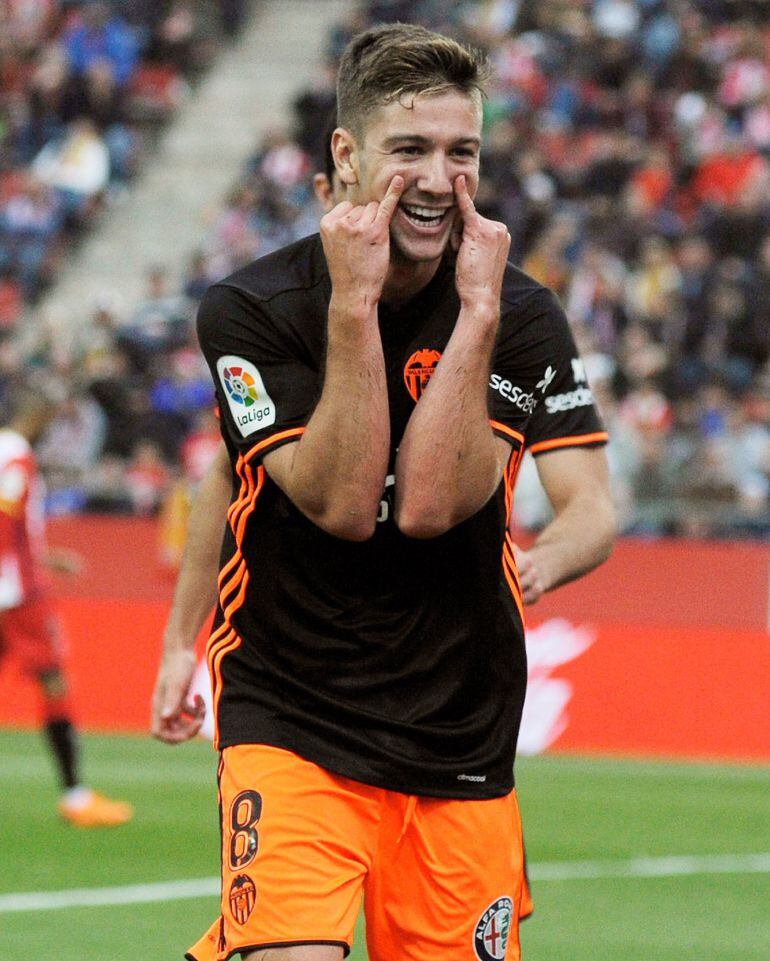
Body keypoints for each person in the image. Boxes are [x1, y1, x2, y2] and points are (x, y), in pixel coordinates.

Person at [152, 24, 615, 961]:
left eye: (463, 152)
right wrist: (353, 308)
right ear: (346, 156)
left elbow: (437, 508)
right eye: (412, 150)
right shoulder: (252, 309)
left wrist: (478, 314)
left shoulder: (515, 310)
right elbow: (337, 502)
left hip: (459, 721)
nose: (441, 180)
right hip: (291, 703)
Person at [0, 392, 133, 828]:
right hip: (16, 597)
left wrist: (41, 556)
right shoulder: (16, 456)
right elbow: (4, 517)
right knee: (54, 678)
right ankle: (76, 797)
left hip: (14, 583)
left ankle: (76, 795)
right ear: (34, 416)